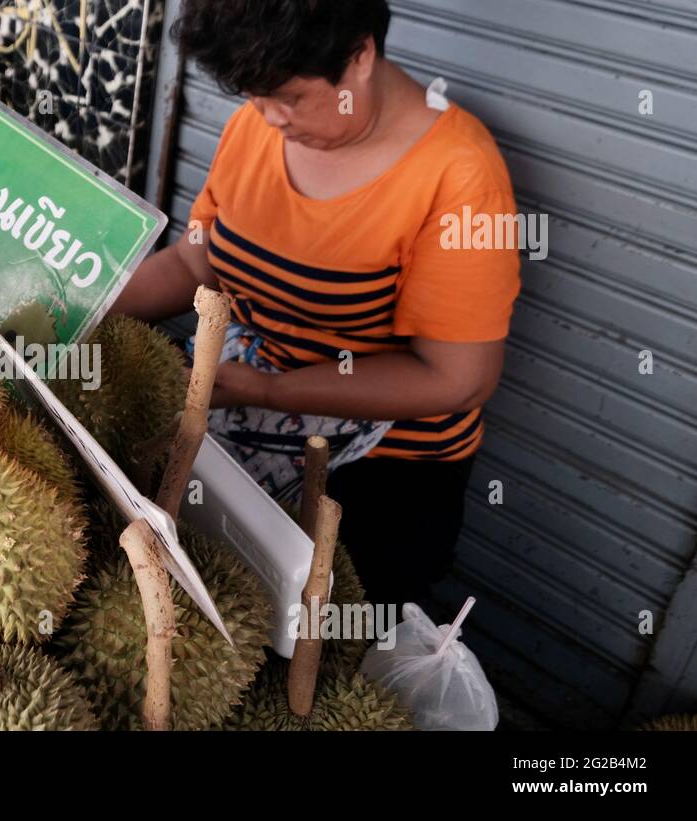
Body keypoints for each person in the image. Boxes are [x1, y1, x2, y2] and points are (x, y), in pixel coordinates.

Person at [112, 0, 522, 610]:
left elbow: (457, 378)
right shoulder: (256, 124)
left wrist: (268, 390)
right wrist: (88, 306)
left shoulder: (460, 175)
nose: (269, 117)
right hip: (241, 388)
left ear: (360, 56)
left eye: (288, 97)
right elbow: (197, 262)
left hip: (386, 462)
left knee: (321, 644)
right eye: (253, 95)